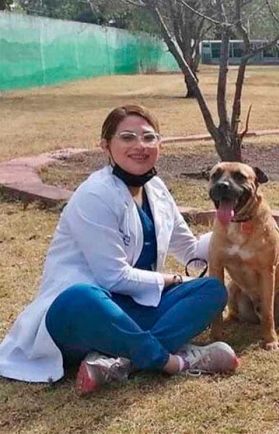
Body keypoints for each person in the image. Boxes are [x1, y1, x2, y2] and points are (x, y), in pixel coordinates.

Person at [0, 104, 238, 396]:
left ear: (159, 145)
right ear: (106, 146)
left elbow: (190, 250)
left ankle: (120, 362)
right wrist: (170, 280)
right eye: (127, 137)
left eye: (149, 138)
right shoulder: (95, 194)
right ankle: (175, 362)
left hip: (132, 310)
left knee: (212, 290)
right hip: (82, 316)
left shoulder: (157, 190)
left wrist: (235, 226)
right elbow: (113, 278)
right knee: (81, 296)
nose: (140, 146)